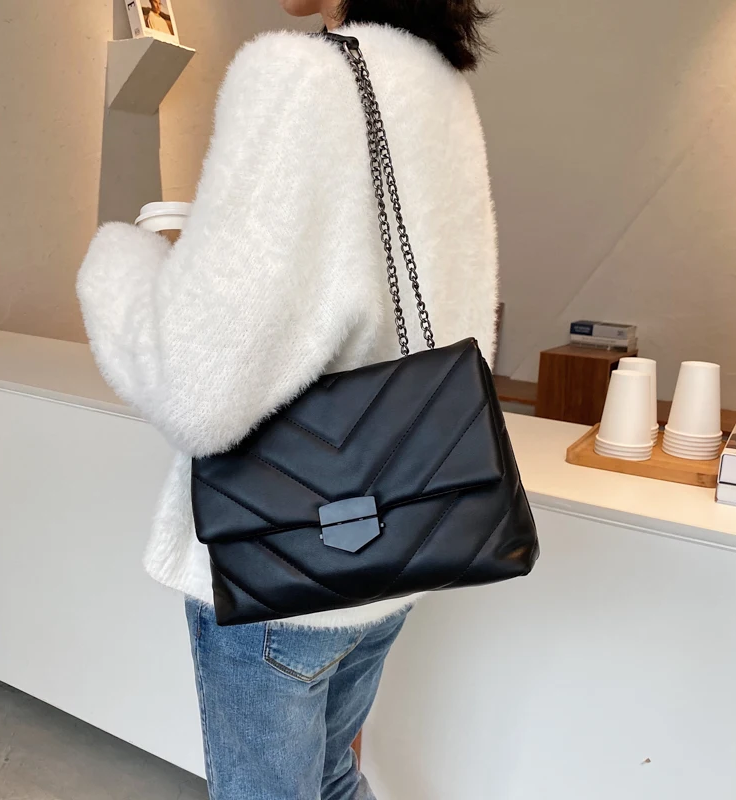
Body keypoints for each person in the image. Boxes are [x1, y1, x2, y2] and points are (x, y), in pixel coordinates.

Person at [78, 0, 498, 797]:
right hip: (402, 542)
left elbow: (197, 391)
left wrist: (116, 260)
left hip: (283, 564)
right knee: (333, 777)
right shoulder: (438, 82)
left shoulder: (300, 76)